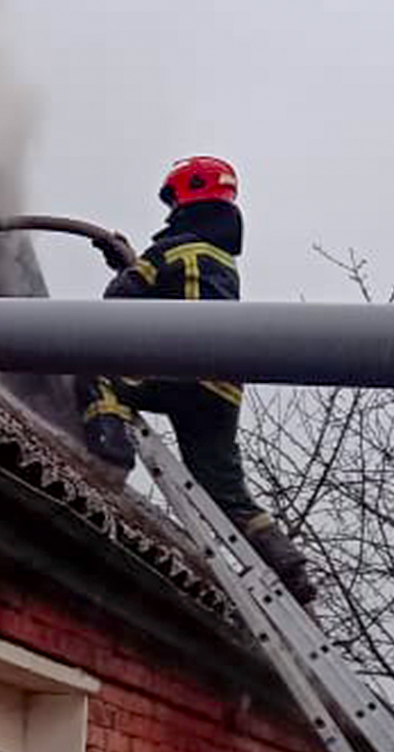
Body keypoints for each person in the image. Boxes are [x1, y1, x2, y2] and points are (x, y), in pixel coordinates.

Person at [76, 155, 318, 606]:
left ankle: (110, 454)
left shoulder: (171, 251)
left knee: (91, 363)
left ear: (185, 197)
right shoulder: (221, 259)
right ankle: (289, 568)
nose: (169, 211)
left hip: (180, 375)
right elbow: (176, 297)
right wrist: (128, 263)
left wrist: (129, 270)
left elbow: (121, 303)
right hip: (221, 391)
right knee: (225, 491)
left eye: (172, 202)